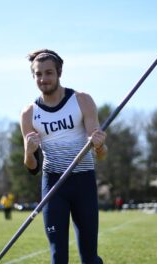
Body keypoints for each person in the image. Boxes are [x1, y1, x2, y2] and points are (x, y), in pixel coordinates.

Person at [21, 49, 107, 264]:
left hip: (83, 181)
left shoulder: (82, 101)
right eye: (38, 74)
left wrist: (99, 145)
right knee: (58, 256)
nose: (43, 79)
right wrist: (29, 151)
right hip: (53, 185)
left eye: (49, 73)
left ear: (59, 72)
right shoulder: (29, 113)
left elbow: (102, 155)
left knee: (89, 256)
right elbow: (32, 167)